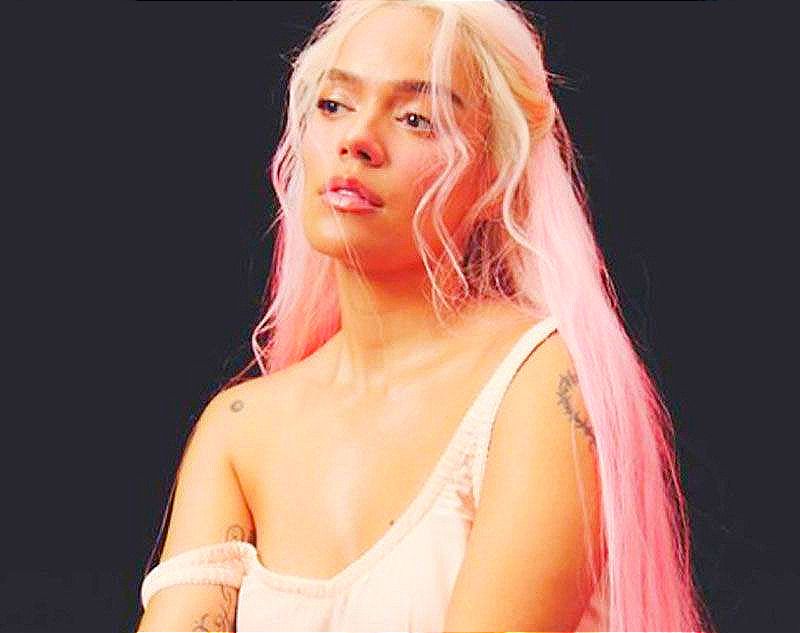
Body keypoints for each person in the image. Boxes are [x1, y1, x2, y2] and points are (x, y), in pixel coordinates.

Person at [136, 1, 715, 631]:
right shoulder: (238, 428)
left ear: (497, 177)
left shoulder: (539, 385)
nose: (356, 140)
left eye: (416, 118)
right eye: (334, 104)